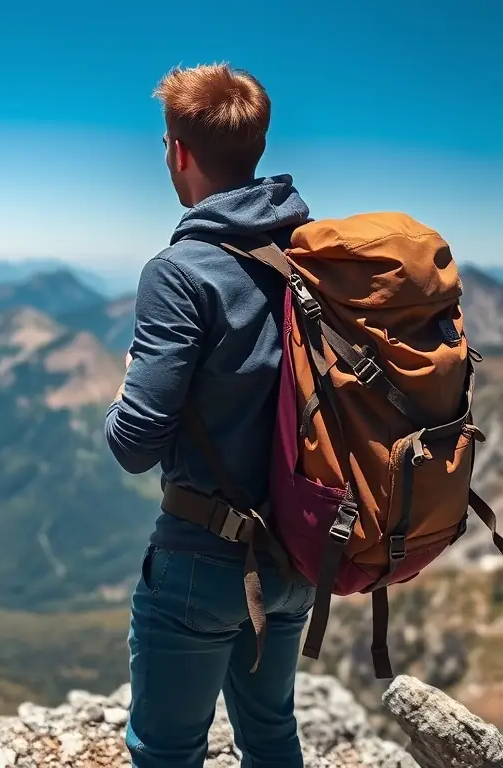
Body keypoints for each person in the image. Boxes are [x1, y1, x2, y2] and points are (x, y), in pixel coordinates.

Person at [103, 62, 317, 768]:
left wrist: (127, 384)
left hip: (200, 560)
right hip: (297, 551)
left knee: (166, 750)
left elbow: (135, 444)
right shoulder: (308, 254)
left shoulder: (181, 271)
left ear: (178, 152)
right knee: (271, 736)